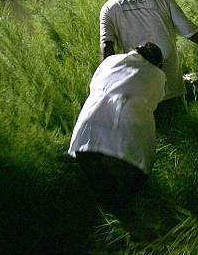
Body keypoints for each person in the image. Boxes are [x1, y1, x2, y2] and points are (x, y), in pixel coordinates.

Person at [100, 0, 198, 102]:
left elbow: (107, 45)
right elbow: (188, 29)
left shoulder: (109, 6)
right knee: (172, 115)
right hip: (168, 73)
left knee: (143, 114)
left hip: (134, 76)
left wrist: (107, 79)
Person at [68, 42, 165, 203]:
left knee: (104, 192)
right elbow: (154, 101)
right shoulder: (157, 74)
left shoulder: (110, 61)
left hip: (85, 134)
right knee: (130, 192)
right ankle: (136, 208)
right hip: (121, 144)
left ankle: (116, 211)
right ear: (158, 64)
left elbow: (93, 85)